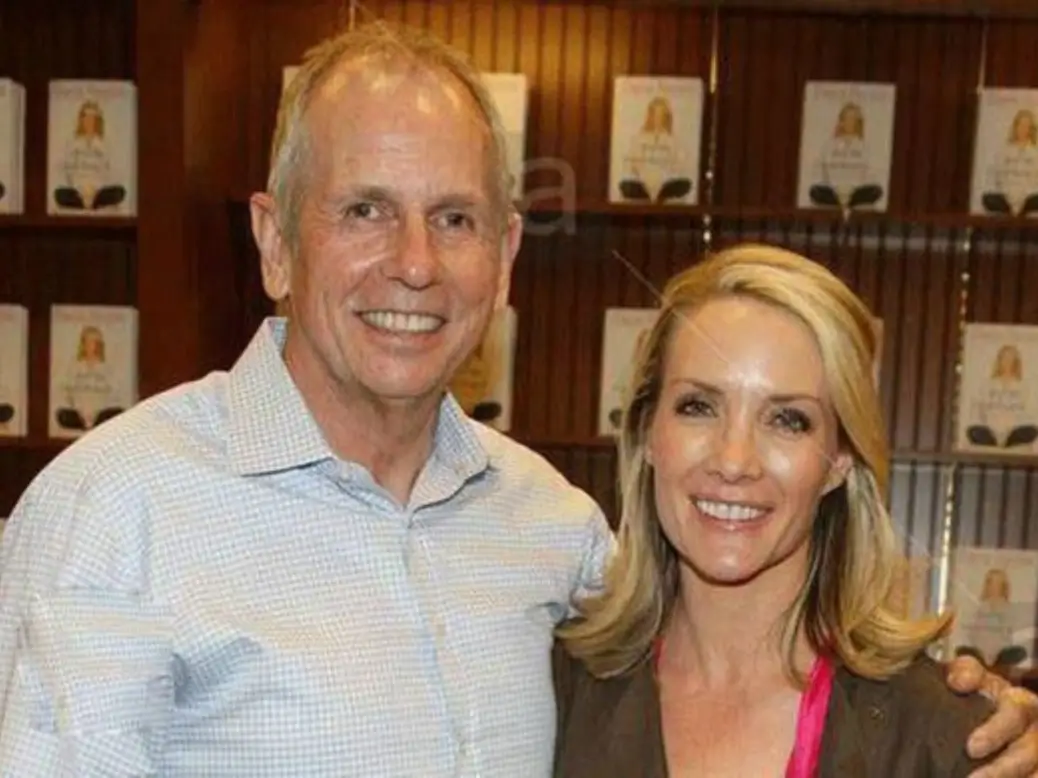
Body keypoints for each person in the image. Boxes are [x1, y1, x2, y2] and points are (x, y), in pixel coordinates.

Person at [0, 22, 1033, 777]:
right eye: (365, 209)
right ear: (273, 239)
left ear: (503, 261)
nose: (414, 266)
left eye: (454, 219)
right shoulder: (113, 514)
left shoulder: (555, 534)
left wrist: (985, 715)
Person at [553, 243, 1038, 777]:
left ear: (840, 462)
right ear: (648, 433)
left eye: (788, 420)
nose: (734, 460)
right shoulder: (553, 695)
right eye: (698, 407)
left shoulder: (947, 737)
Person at [52, 98, 127, 211]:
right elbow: (67, 170)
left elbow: (111, 171)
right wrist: (81, 191)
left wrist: (95, 191)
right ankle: (82, 203)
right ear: (81, 120)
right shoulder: (72, 143)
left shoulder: (105, 144)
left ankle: (94, 203)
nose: (89, 122)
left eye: (92, 118)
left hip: (98, 191)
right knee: (59, 194)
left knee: (119, 192)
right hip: (78, 190)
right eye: (86, 118)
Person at [808, 101, 884, 211]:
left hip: (857, 195)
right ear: (841, 121)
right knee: (815, 190)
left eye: (853, 119)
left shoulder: (866, 148)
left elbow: (872, 176)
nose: (850, 122)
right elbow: (819, 173)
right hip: (832, 195)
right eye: (847, 118)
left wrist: (854, 192)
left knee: (876, 190)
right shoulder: (828, 146)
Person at [618, 95, 694, 204]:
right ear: (650, 116)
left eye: (661, 115)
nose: (658, 118)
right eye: (655, 115)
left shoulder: (675, 141)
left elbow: (680, 165)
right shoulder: (638, 139)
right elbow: (630, 162)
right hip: (642, 187)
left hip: (666, 188)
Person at [53, 324, 127, 432]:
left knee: (116, 414)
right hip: (78, 412)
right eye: (89, 342)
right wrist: (79, 410)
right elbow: (65, 392)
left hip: (101, 413)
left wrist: (97, 412)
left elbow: (115, 394)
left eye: (96, 342)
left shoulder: (107, 368)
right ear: (83, 344)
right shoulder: (74, 366)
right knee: (62, 414)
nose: (93, 346)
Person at [966, 343, 1038, 450]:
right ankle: (993, 444)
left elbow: (1028, 413)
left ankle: (1009, 443)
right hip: (990, 430)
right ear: (999, 360)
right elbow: (978, 409)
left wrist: (1010, 429)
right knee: (973, 431)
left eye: (1011, 359)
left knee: (1031, 431)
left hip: (1014, 432)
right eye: (1004, 358)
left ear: (1016, 362)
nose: (1007, 362)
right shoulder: (987, 385)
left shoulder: (1023, 387)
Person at [981, 108, 1038, 218]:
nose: (1023, 129)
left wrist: (1023, 195)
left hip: (1028, 196)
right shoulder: (1004, 151)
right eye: (1021, 125)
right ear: (1015, 127)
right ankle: (1011, 212)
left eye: (1027, 126)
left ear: (1031, 129)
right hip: (1007, 194)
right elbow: (998, 176)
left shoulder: (1035, 153)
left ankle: (1021, 212)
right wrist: (1010, 195)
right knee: (988, 199)